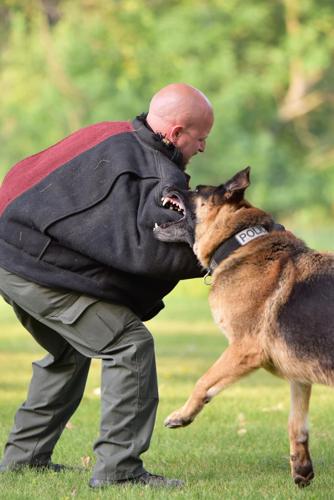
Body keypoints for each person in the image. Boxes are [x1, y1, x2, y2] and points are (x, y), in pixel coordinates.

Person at [0, 83, 214, 488]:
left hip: (9, 251)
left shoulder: (110, 133)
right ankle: (119, 473)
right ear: (176, 133)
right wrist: (223, 255)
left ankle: (23, 460)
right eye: (200, 138)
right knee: (128, 345)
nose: (202, 148)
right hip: (29, 263)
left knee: (68, 351)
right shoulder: (156, 173)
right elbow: (152, 251)